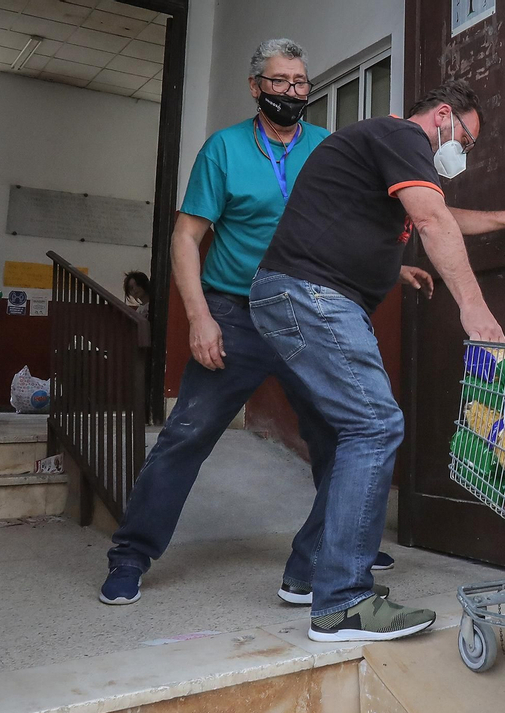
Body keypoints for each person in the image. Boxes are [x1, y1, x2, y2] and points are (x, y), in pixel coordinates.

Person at [99, 38, 412, 606]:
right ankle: (131, 554)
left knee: (346, 432)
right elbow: (187, 238)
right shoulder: (223, 151)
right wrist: (198, 318)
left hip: (308, 316)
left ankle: (335, 547)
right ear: (255, 87)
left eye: (299, 82)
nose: (292, 92)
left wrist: (396, 265)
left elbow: (365, 219)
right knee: (187, 434)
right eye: (279, 82)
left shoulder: (326, 146)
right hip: (235, 313)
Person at [248, 79, 505, 642]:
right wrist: (474, 310)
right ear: (444, 117)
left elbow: (443, 215)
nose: (464, 154)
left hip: (299, 297)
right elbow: (433, 221)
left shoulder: (388, 157)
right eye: (467, 142)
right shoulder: (401, 134)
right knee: (375, 426)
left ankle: (310, 574)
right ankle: (343, 605)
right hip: (311, 295)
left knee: (346, 440)